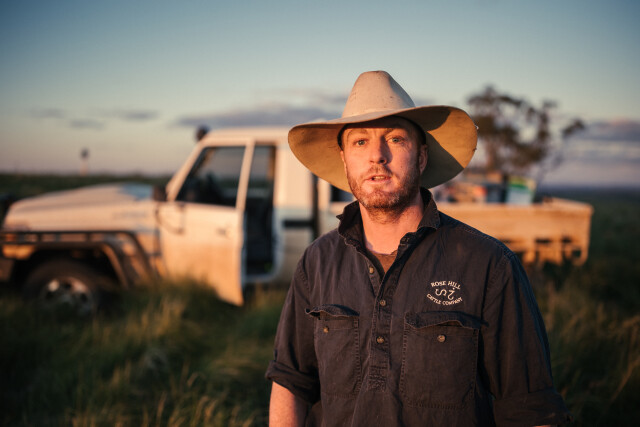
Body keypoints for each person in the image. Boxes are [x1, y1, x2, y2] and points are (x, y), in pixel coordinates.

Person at [265, 71, 571, 426]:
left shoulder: (489, 266)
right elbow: (291, 381)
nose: (377, 156)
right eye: (360, 142)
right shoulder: (317, 262)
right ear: (345, 159)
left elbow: (530, 410)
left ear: (421, 157)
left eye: (395, 139)